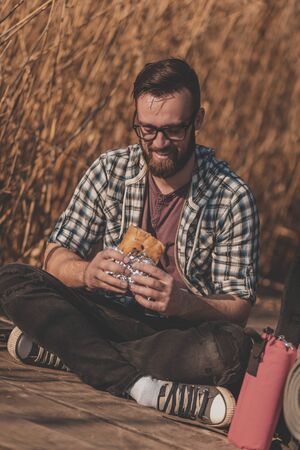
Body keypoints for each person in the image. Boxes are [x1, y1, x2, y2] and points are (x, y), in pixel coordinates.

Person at [0, 58, 259, 428]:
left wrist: (183, 302)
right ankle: (140, 386)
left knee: (232, 350)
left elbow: (239, 308)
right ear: (136, 121)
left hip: (172, 335)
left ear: (198, 120)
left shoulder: (232, 196)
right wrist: (86, 272)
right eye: (147, 130)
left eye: (173, 131)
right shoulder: (110, 170)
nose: (159, 144)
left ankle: (71, 351)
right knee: (11, 278)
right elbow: (54, 255)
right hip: (104, 312)